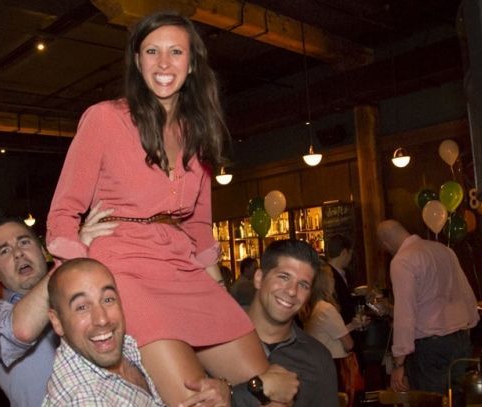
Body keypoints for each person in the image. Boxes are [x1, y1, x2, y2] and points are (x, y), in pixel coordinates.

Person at [46, 11, 295, 405]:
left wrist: (217, 291)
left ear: (192, 63)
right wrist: (83, 272)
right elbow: (62, 214)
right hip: (124, 265)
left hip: (182, 266)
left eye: (176, 52)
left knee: (274, 388)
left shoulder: (199, 130)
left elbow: (198, 225)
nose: (163, 63)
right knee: (196, 399)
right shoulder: (105, 119)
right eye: (152, 52)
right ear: (137, 61)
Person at [44, 258, 231, 406]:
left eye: (108, 299)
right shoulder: (84, 399)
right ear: (57, 321)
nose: (102, 319)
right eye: (82, 307)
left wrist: (222, 389)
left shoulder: (127, 345)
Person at [376, 220, 479, 396]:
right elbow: (466, 291)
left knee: (430, 401)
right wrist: (471, 323)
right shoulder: (444, 250)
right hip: (460, 340)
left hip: (430, 347)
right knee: (457, 400)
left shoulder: (403, 260)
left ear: (385, 244)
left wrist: (399, 362)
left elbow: (405, 313)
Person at [232, 240, 337, 407]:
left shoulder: (318, 358)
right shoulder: (218, 343)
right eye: (283, 277)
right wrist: (254, 390)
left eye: (303, 285)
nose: (292, 291)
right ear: (259, 278)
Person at [0, 217, 59, 407]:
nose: (18, 253)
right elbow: (20, 330)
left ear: (42, 251)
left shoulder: (78, 294)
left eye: (24, 242)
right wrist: (67, 263)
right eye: (4, 251)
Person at [303, 262, 366, 406]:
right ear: (326, 283)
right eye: (331, 278)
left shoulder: (312, 307)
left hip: (320, 365)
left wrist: (352, 326)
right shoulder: (327, 309)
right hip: (336, 366)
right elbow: (349, 344)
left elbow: (330, 332)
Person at [325, 234, 356, 323]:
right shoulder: (328, 276)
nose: (351, 257)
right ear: (344, 253)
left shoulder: (345, 273)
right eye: (350, 253)